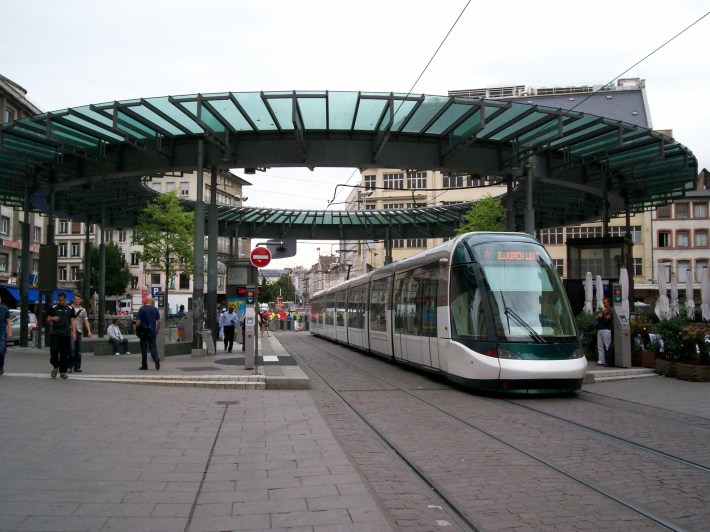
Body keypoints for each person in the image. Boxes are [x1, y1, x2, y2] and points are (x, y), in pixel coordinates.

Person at [47, 292, 76, 379]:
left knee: (64, 353)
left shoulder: (70, 308)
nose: (60, 302)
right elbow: (48, 320)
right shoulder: (53, 308)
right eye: (59, 300)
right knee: (54, 351)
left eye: (62, 300)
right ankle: (55, 367)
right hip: (55, 333)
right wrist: (52, 318)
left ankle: (63, 371)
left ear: (65, 299)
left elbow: (72, 320)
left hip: (66, 333)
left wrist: (73, 332)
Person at [135, 296, 161, 370]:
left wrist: (137, 330)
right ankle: (156, 358)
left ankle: (144, 365)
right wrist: (157, 329)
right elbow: (159, 321)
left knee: (143, 348)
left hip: (143, 331)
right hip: (152, 331)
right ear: (151, 301)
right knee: (153, 346)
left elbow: (138, 322)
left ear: (145, 301)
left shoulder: (142, 309)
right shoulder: (155, 309)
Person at [68, 294, 92, 373]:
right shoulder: (69, 308)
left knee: (78, 350)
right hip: (71, 331)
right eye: (76, 299)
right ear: (73, 300)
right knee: (71, 349)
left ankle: (77, 367)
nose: (77, 301)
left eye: (78, 299)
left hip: (79, 331)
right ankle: (70, 366)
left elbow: (85, 321)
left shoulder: (83, 310)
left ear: (81, 300)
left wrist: (89, 331)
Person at [595, 297, 613, 367]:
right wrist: (601, 314)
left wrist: (604, 314)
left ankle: (608, 361)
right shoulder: (603, 310)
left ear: (609, 303)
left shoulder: (611, 310)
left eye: (605, 302)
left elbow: (607, 318)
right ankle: (601, 361)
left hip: (606, 329)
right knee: (600, 346)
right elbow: (596, 318)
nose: (604, 304)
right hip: (600, 329)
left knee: (607, 345)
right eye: (603, 302)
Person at [0, 295, 11, 376]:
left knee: (1, 351)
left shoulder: (4, 308)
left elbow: (8, 321)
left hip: (2, 333)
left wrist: (9, 332)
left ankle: (1, 367)